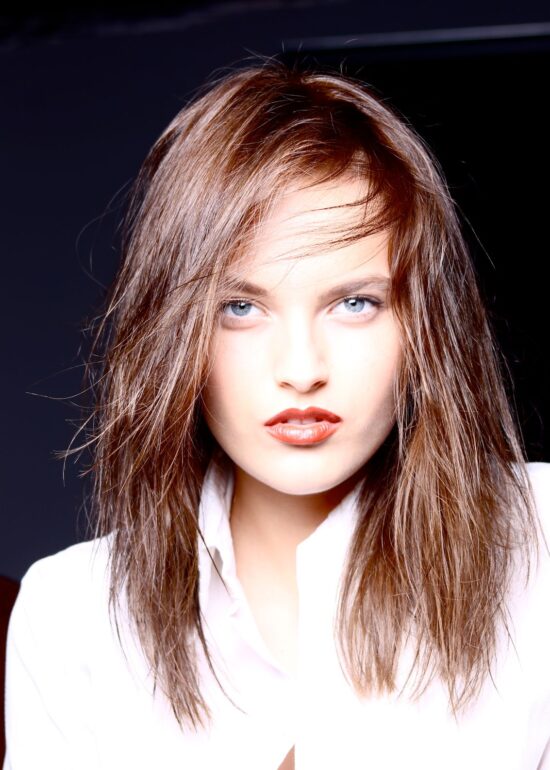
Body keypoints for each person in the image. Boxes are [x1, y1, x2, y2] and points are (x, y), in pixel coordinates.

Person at [3, 59, 550, 770]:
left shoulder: (539, 544)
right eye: (240, 307)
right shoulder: (72, 615)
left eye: (355, 303)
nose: (300, 367)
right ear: (171, 331)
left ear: (423, 325)